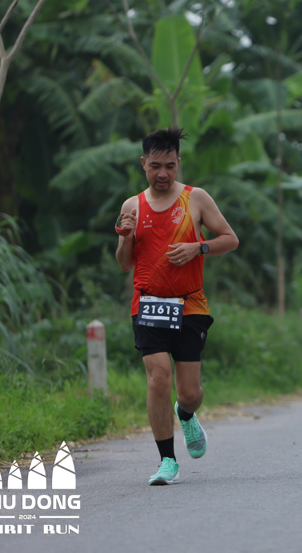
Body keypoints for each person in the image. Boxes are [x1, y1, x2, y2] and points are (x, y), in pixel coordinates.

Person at [115, 127, 239, 485]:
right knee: (157, 378)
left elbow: (230, 239)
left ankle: (185, 414)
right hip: (148, 304)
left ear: (178, 163)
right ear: (143, 164)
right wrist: (124, 238)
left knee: (189, 393)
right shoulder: (131, 206)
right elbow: (124, 263)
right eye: (155, 166)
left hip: (190, 305)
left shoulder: (196, 199)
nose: (163, 173)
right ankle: (167, 460)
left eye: (170, 165)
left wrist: (198, 248)